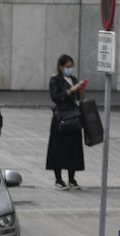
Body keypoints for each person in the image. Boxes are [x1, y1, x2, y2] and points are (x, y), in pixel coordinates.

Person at [46, 53, 86, 189]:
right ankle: (58, 179)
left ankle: (72, 178)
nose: (70, 69)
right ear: (60, 67)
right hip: (61, 116)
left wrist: (80, 90)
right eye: (67, 67)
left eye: (71, 67)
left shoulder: (73, 79)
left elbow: (79, 98)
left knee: (73, 148)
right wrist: (70, 91)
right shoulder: (55, 80)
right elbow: (55, 97)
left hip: (74, 115)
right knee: (58, 148)